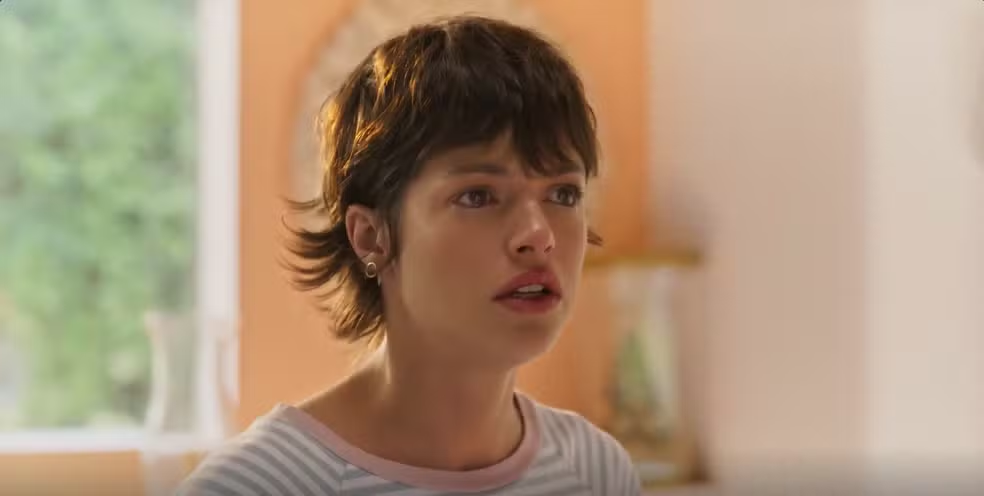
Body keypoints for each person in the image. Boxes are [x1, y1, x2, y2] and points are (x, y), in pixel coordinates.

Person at [179, 14, 642, 496]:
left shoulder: (596, 470)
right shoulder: (257, 486)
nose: (538, 234)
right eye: (478, 196)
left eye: (563, 194)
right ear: (371, 237)